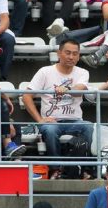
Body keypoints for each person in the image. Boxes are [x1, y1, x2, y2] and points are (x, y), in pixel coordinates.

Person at [22, 39, 93, 179]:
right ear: (58, 53)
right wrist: (40, 120)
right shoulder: (45, 71)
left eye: (75, 54)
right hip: (52, 121)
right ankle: (56, 169)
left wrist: (67, 88)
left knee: (89, 127)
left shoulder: (83, 72)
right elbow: (26, 96)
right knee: (50, 129)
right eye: (67, 53)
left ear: (79, 56)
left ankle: (85, 170)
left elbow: (80, 89)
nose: (71, 57)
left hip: (75, 121)